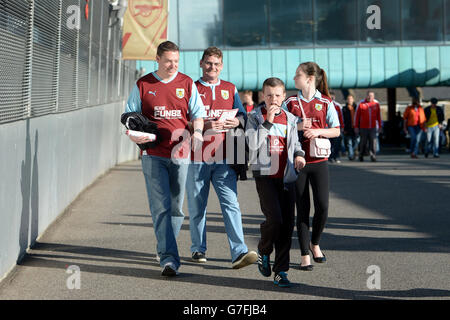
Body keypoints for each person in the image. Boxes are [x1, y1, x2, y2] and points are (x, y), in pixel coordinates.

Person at [125, 41, 206, 277]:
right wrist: (134, 136)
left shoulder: (186, 83)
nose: (173, 65)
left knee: (176, 208)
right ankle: (169, 258)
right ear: (157, 59)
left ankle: (163, 246)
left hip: (180, 154)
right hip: (153, 155)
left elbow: (198, 114)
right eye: (168, 61)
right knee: (160, 207)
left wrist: (198, 133)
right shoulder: (144, 84)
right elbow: (130, 117)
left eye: (176, 62)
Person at [186, 46, 257, 269]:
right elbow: (182, 122)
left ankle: (239, 251)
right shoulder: (192, 88)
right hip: (197, 157)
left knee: (231, 204)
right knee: (198, 206)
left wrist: (236, 122)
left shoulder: (230, 88)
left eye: (216, 64)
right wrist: (205, 125)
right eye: (209, 63)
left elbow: (243, 116)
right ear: (201, 63)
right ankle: (198, 248)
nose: (212, 67)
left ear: (222, 66)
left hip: (226, 157)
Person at [246, 77, 306, 287]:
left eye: (277, 95)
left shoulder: (290, 118)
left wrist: (299, 155)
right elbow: (252, 144)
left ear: (283, 97)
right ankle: (264, 250)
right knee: (275, 219)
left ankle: (281, 271)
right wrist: (268, 121)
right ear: (262, 96)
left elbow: (296, 142)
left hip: (286, 175)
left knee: (288, 224)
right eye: (269, 95)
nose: (273, 99)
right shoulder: (254, 116)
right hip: (265, 175)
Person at [284, 62, 340, 271]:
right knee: (303, 209)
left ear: (309, 78)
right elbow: (280, 127)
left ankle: (315, 243)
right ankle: (304, 254)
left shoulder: (325, 102)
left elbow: (336, 130)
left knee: (323, 206)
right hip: (297, 163)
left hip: (319, 162)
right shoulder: (290, 102)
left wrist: (318, 131)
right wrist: (298, 126)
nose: (293, 78)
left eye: (297, 75)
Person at [354, 91, 382, 162]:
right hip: (363, 127)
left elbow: (379, 116)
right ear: (366, 96)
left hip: (373, 127)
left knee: (373, 142)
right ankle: (361, 155)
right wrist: (356, 126)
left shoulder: (376, 103)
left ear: (374, 96)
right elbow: (357, 116)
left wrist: (380, 126)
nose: (370, 97)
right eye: (369, 96)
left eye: (371, 96)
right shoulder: (361, 103)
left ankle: (373, 155)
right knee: (363, 142)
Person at [341, 94, 358, 160]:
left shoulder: (356, 107)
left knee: (356, 142)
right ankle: (351, 155)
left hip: (355, 128)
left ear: (353, 99)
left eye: (351, 99)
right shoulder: (344, 109)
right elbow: (342, 119)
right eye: (348, 99)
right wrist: (343, 128)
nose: (349, 100)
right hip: (348, 128)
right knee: (349, 143)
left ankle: (353, 152)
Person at [328, 92, 344, 163]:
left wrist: (342, 127)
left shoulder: (338, 106)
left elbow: (341, 118)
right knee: (329, 144)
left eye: (333, 97)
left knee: (337, 143)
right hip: (327, 129)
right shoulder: (325, 104)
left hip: (335, 128)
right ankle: (330, 157)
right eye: (330, 96)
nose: (332, 98)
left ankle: (336, 156)